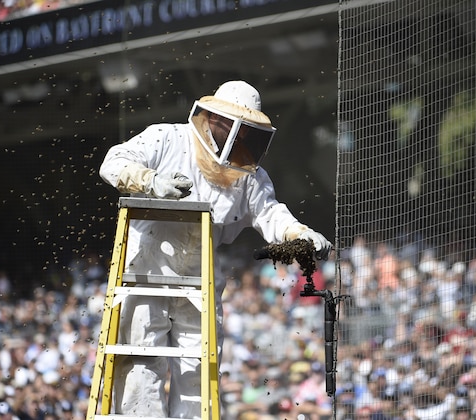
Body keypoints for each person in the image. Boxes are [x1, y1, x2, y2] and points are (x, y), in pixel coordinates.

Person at [98, 80, 332, 418]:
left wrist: (299, 233)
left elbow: (269, 212)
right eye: (240, 130)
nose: (243, 141)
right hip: (145, 274)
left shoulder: (248, 175)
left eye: (251, 134)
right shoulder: (167, 138)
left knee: (199, 372)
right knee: (140, 364)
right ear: (217, 119)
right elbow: (113, 161)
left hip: (201, 281)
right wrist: (149, 181)